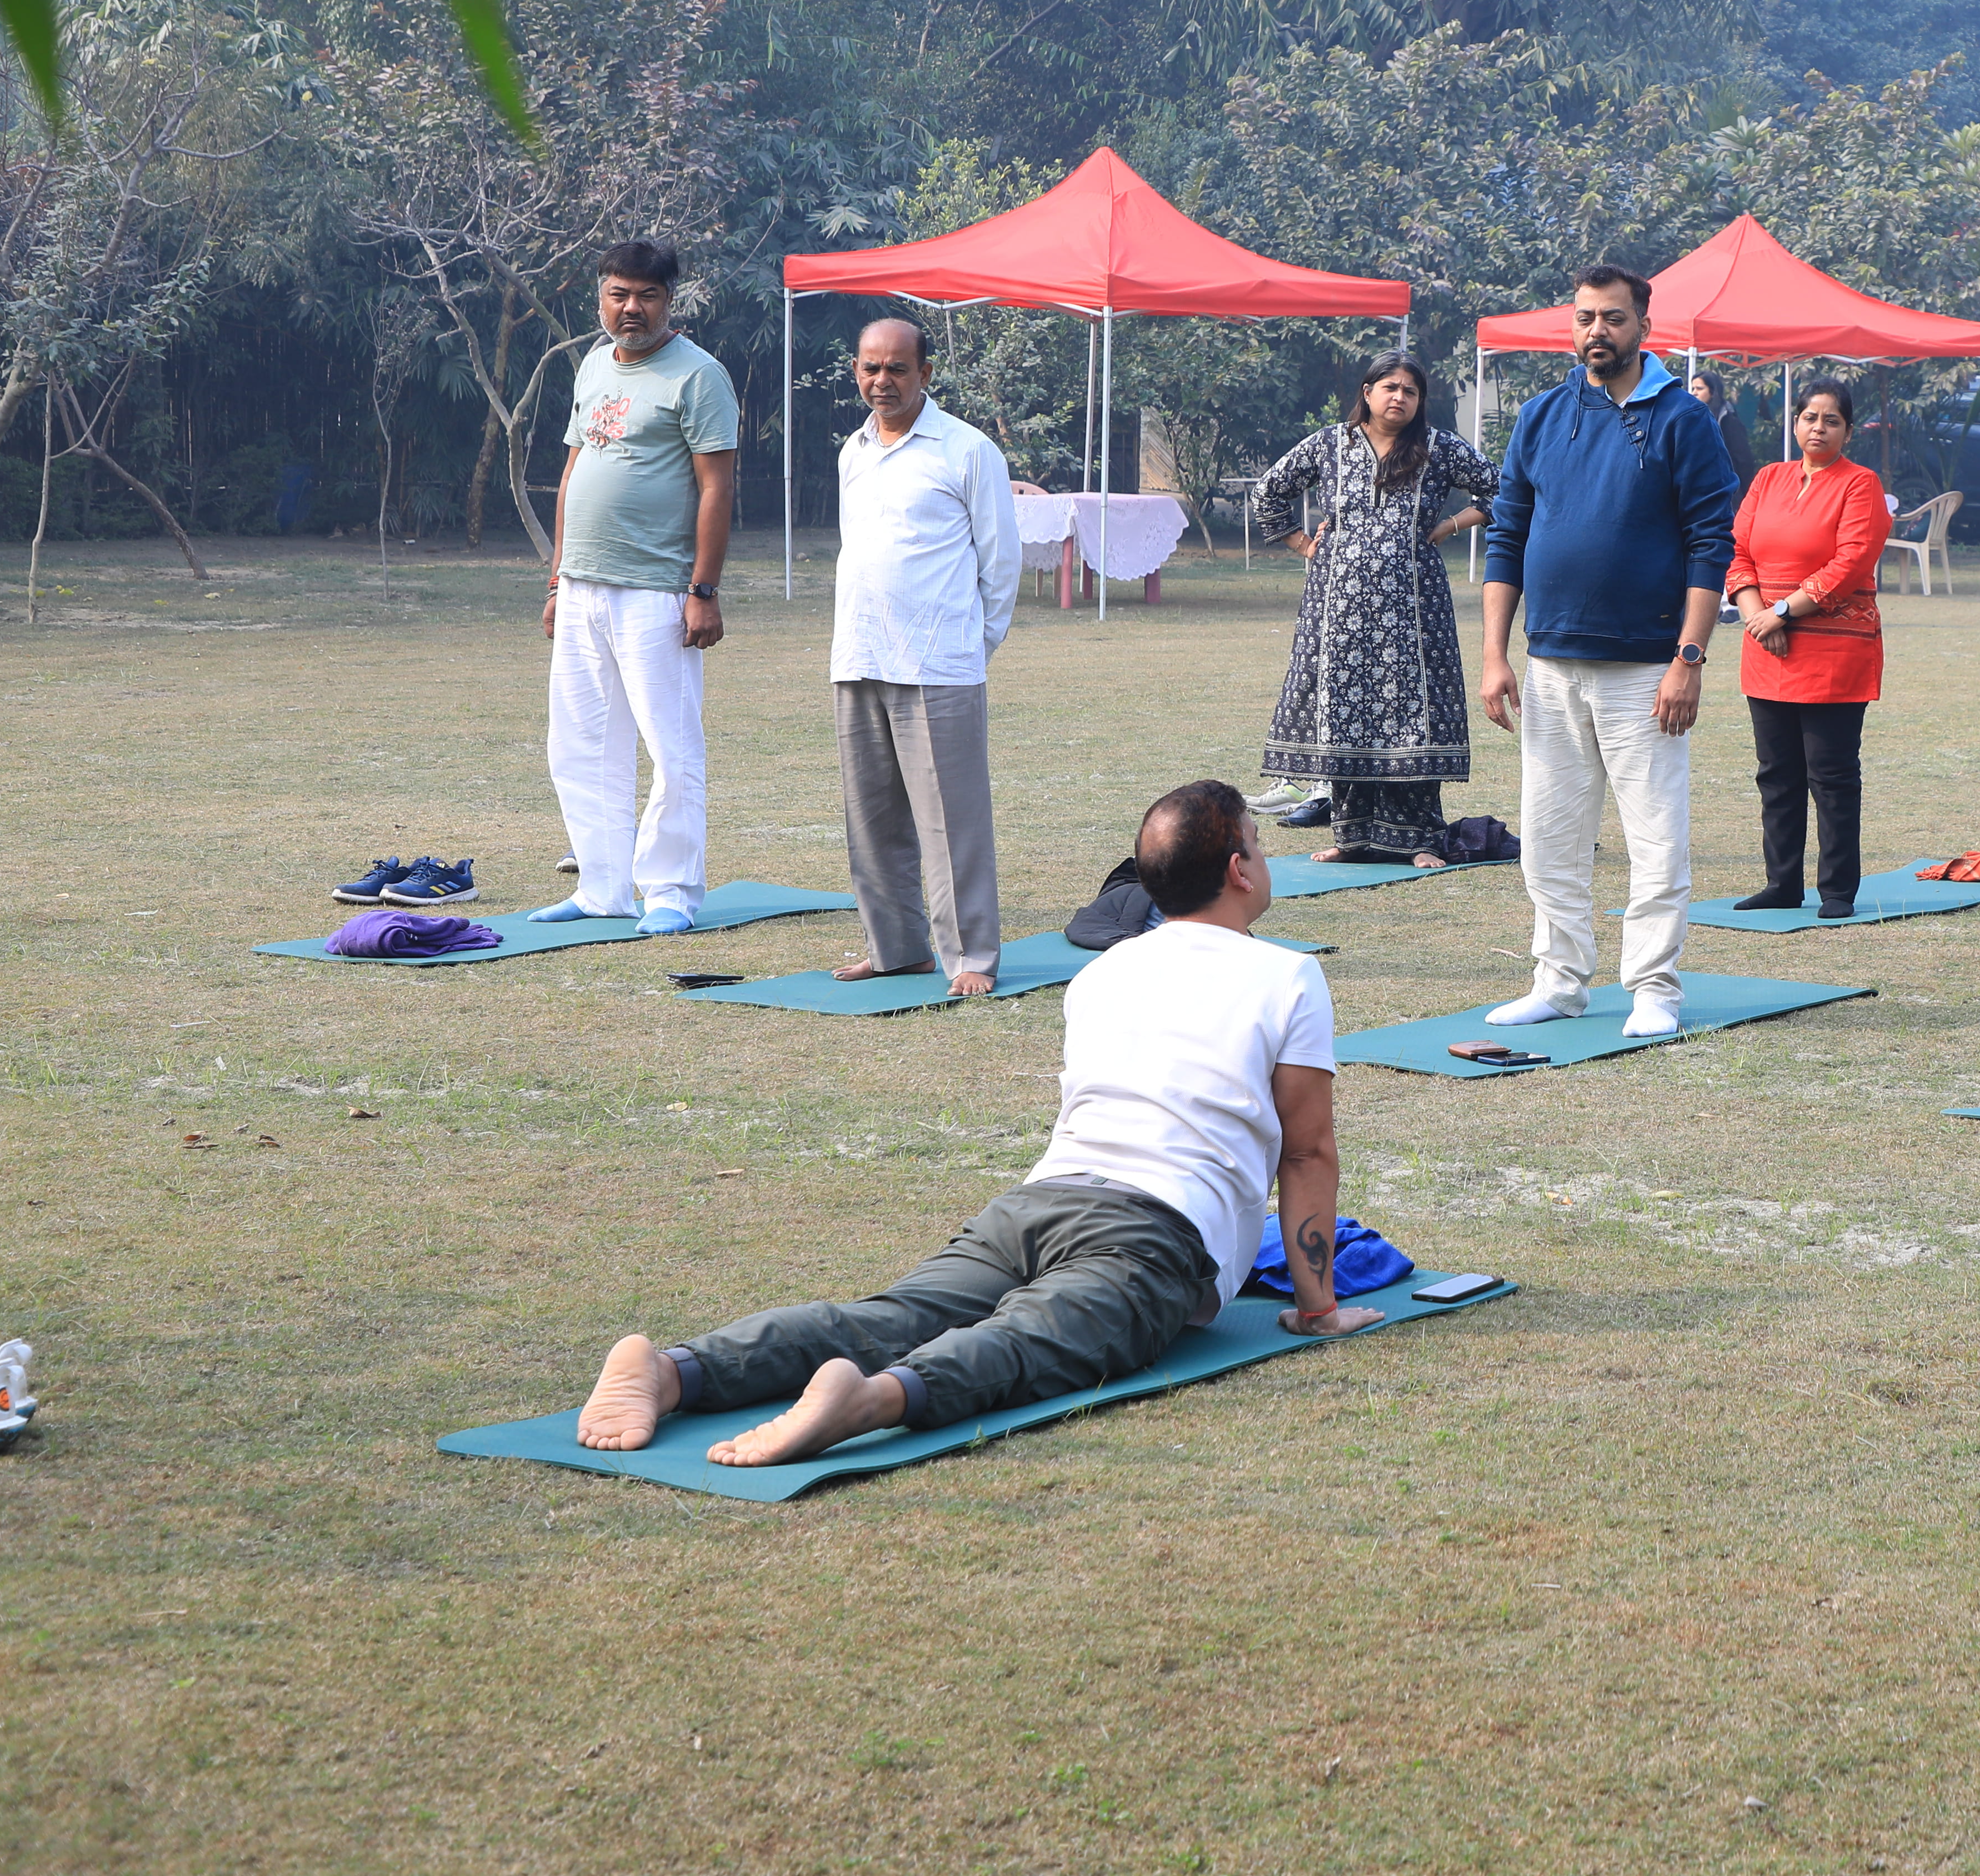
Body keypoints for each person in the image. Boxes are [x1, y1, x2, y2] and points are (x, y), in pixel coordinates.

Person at [569, 780, 1380, 1468]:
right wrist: (1318, 1309)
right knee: (1035, 1340)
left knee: (889, 1318)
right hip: (1154, 1232)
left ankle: (675, 1371)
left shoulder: (1102, 972)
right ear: (1240, 870)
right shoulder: (1287, 975)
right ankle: (874, 1401)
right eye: (1258, 846)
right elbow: (1307, 1154)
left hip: (1033, 1204)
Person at [1477, 266, 1741, 1040]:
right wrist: (1495, 655)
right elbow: (1507, 536)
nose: (1598, 331)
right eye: (1586, 317)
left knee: (1655, 838)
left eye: (1614, 318)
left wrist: (1688, 659)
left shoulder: (1683, 418)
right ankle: (1558, 983)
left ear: (1644, 327)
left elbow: (1710, 542)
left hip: (1647, 670)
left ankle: (1654, 989)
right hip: (1550, 665)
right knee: (1550, 839)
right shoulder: (1542, 415)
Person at [534, 239, 741, 935]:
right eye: (619, 294)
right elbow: (573, 473)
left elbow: (717, 487)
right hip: (583, 585)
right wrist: (558, 578)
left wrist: (703, 590)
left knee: (670, 747)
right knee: (581, 743)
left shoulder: (699, 375)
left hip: (657, 589)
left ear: (668, 301)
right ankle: (602, 887)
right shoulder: (595, 364)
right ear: (600, 297)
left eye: (647, 296)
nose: (632, 308)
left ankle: (671, 890)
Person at [827, 317, 1021, 998]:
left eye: (897, 369)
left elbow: (1000, 562)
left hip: (938, 664)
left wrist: (971, 644)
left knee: (950, 822)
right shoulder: (853, 451)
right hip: (860, 654)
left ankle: (971, 956)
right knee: (871, 819)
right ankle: (895, 950)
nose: (882, 381)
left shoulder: (967, 450)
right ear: (856, 371)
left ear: (925, 374)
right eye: (870, 368)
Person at [1249, 355, 1498, 866]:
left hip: (1416, 607)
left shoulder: (1439, 448)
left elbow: (1505, 488)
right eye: (1390, 387)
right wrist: (1305, 545)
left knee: (1412, 712)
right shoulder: (1329, 445)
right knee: (1348, 710)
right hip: (1338, 606)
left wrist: (1451, 525)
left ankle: (1419, 840)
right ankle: (1352, 837)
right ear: (1368, 392)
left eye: (1411, 391)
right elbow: (1268, 493)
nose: (1400, 397)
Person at [1723, 377, 1896, 917]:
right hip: (1767, 650)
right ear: (1795, 423)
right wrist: (1758, 617)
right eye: (1810, 418)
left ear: (1848, 430)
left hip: (1833, 655)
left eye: (1831, 420)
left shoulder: (1861, 484)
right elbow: (1737, 551)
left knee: (1832, 775)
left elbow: (1851, 562)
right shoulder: (1768, 479)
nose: (1818, 428)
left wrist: (1781, 612)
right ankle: (1782, 884)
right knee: (1776, 774)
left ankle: (1838, 890)